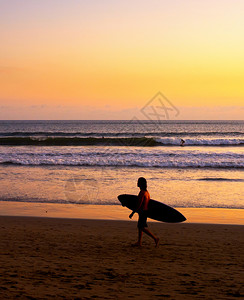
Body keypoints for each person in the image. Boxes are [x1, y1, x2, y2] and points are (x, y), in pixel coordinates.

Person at [129, 177, 159, 247]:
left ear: (141, 184)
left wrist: (132, 213)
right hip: (144, 211)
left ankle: (155, 238)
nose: (137, 183)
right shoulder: (147, 192)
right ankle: (139, 242)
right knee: (140, 227)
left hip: (143, 212)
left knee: (142, 228)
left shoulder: (142, 192)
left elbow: (139, 205)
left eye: (138, 182)